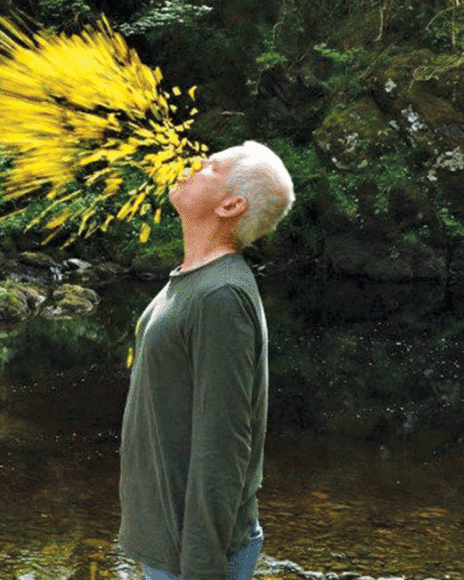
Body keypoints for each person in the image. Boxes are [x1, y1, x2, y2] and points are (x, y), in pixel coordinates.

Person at [118, 140, 295, 580]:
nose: (195, 164)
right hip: (171, 546)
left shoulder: (222, 295)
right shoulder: (194, 279)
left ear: (232, 205)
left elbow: (224, 445)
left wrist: (200, 566)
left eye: (211, 167)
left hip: (192, 557)